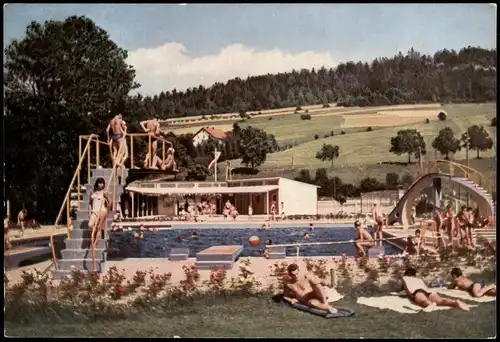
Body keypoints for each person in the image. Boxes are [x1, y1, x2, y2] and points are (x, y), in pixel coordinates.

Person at [402, 268, 469, 312]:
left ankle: (430, 304)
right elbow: (425, 286)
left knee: (423, 300)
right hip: (428, 291)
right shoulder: (419, 279)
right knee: (441, 300)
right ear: (414, 275)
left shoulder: (404, 278)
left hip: (417, 291)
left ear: (406, 274)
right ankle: (455, 302)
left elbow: (404, 288)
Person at [88, 177, 111, 246]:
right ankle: (93, 236)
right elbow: (89, 203)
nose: (101, 184)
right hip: (94, 211)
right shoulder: (92, 192)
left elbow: (109, 202)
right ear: (97, 183)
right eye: (99, 183)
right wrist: (89, 212)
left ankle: (95, 243)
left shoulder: (104, 192)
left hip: (102, 211)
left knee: (98, 227)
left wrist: (107, 210)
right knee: (90, 225)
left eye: (102, 183)